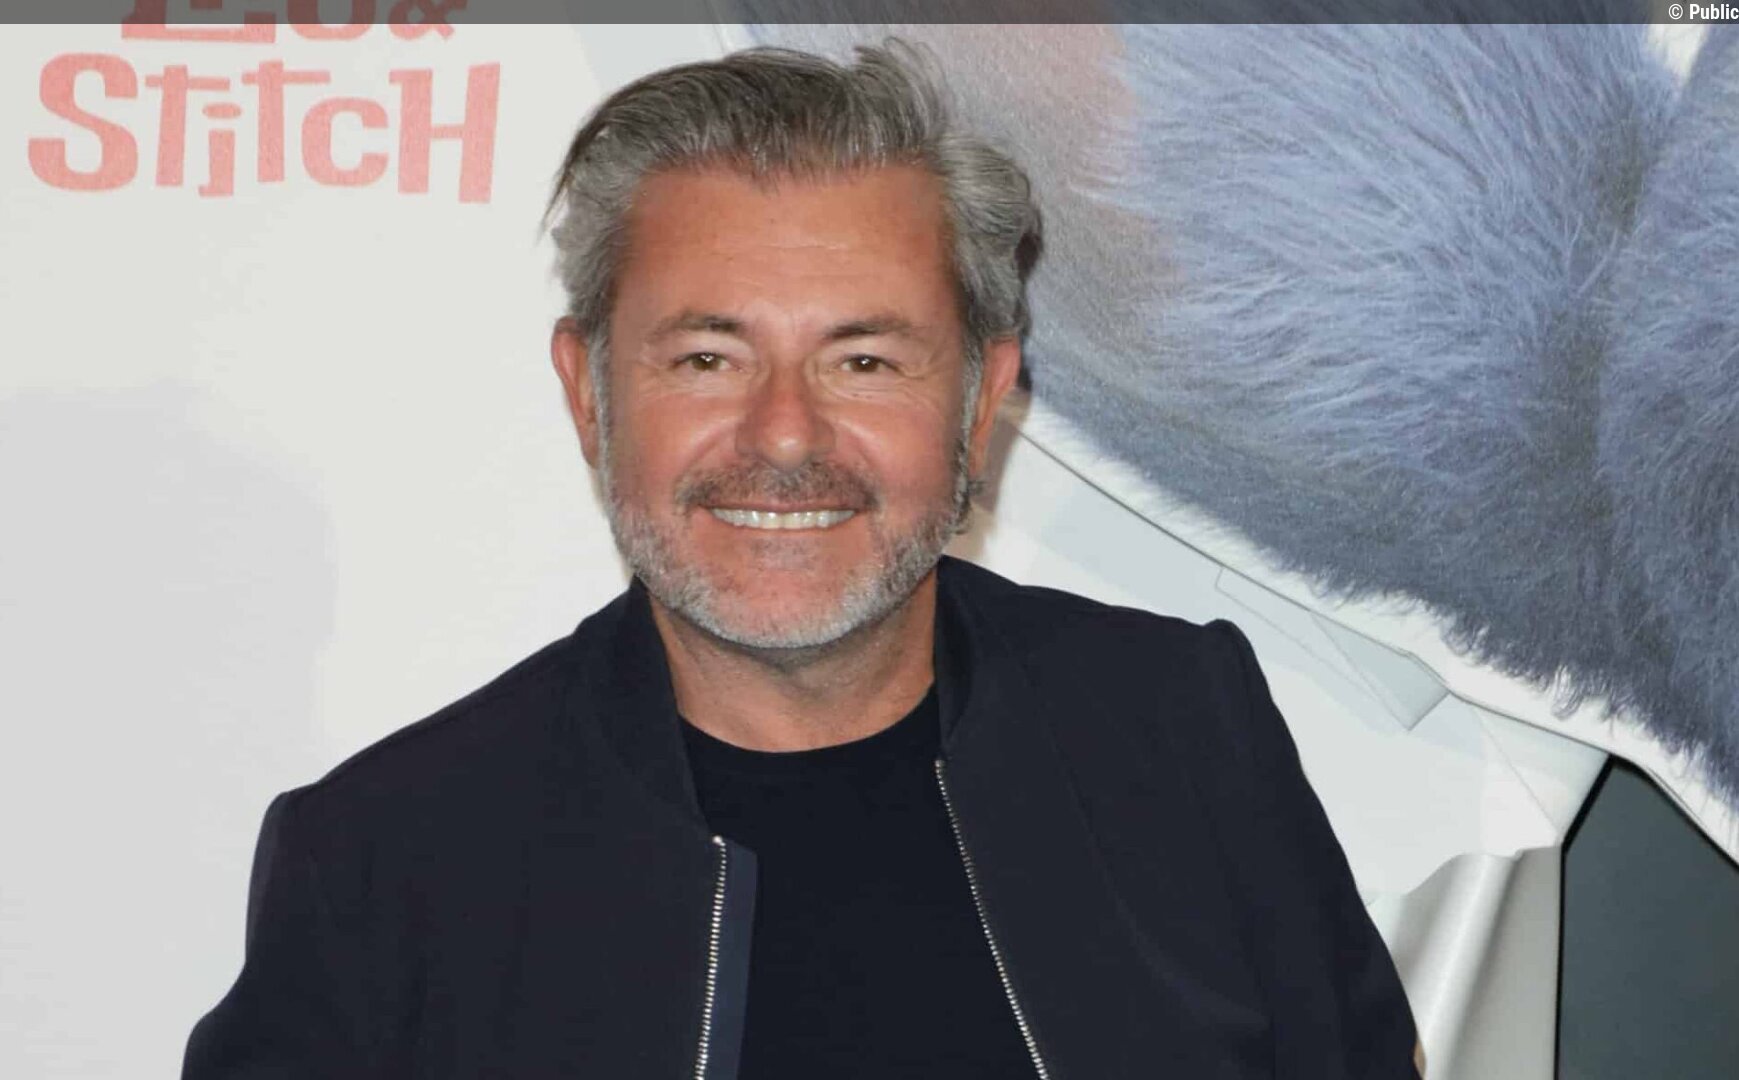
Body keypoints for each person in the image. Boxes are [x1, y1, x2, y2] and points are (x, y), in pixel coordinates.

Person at [183, 42, 1420, 1079]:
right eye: (707, 359)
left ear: (978, 401)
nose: (784, 435)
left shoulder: (1182, 732)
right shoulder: (386, 864)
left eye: (862, 360)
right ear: (589, 394)